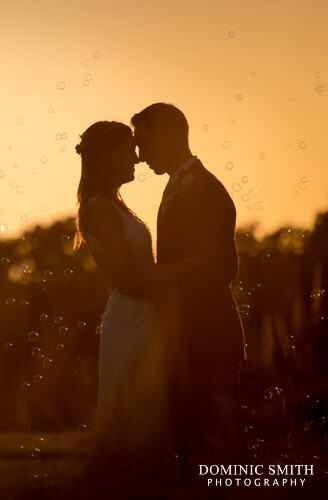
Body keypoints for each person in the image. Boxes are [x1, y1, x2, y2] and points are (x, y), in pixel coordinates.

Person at [130, 102, 247, 485]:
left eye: (142, 143)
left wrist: (162, 281)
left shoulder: (206, 189)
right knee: (189, 436)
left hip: (208, 331)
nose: (139, 155)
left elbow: (223, 267)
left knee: (215, 438)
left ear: (166, 136)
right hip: (184, 331)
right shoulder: (178, 185)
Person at [71, 122, 178, 494]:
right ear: (108, 156)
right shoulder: (99, 208)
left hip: (142, 316)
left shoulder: (114, 204)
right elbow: (128, 280)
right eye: (128, 150)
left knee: (147, 411)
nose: (136, 158)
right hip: (131, 318)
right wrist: (193, 267)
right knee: (130, 411)